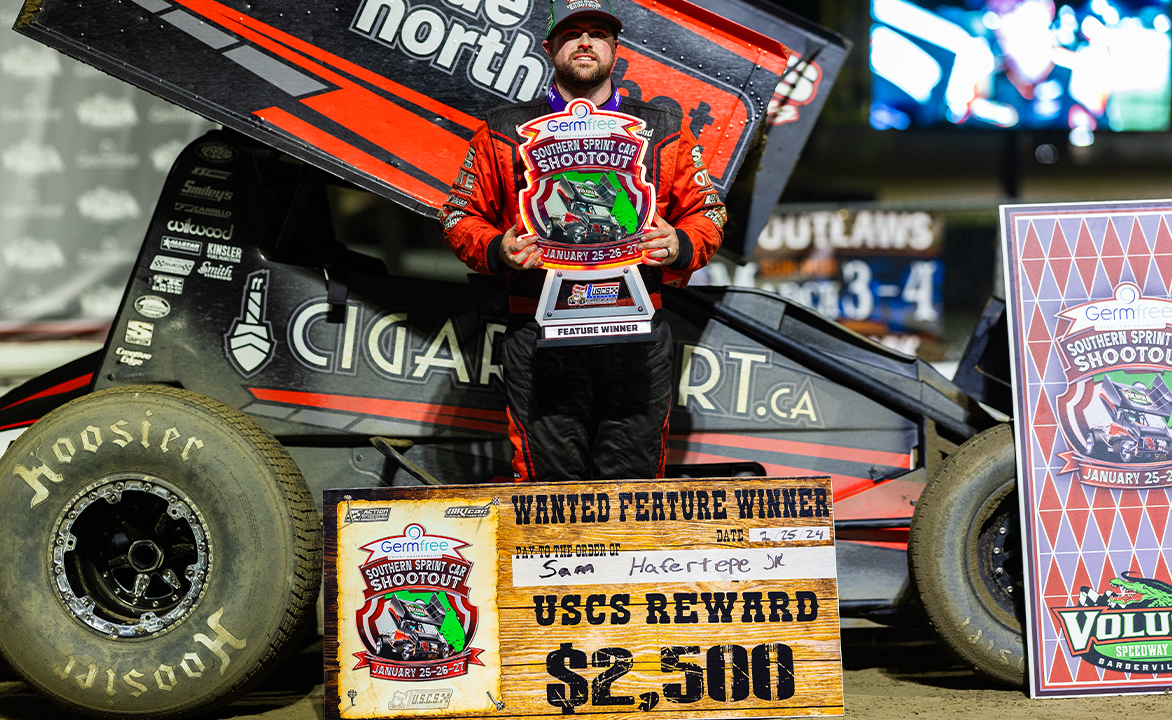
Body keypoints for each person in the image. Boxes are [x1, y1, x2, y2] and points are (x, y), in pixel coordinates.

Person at [440, 0, 725, 482]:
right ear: (550, 47)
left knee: (633, 489)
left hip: (636, 330)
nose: (586, 42)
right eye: (573, 34)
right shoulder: (502, 128)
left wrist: (679, 244)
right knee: (548, 490)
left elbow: (708, 212)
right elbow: (457, 215)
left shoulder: (663, 127)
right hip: (540, 333)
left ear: (616, 48)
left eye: (597, 33)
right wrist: (496, 249)